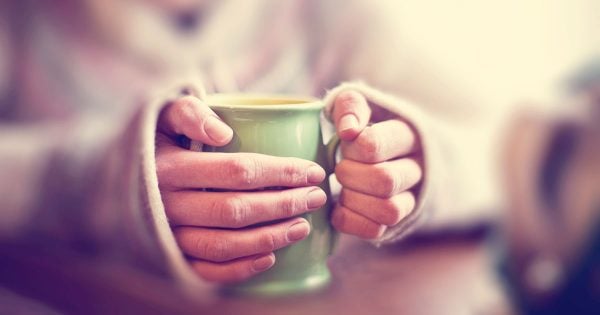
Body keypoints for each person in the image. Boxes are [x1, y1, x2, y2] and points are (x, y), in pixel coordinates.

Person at [0, 0, 500, 286]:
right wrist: (100, 183)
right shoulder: (21, 24)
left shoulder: (328, 19)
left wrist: (423, 165)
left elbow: (505, 153)